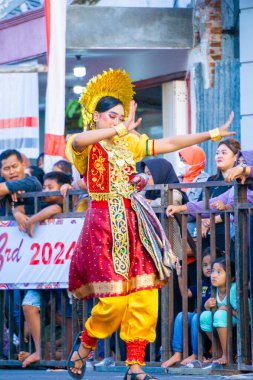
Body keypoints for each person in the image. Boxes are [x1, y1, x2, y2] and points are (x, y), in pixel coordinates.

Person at [65, 68, 235, 379]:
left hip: (134, 224)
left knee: (144, 295)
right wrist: (117, 131)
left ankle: (135, 364)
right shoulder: (85, 144)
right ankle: (85, 344)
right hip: (103, 226)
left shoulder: (126, 142)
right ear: (96, 117)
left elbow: (168, 142)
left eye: (120, 117)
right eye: (111, 116)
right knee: (114, 303)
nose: (117, 122)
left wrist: (210, 135)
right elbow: (78, 140)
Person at [17, 171, 72, 367]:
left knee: (67, 312)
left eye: (50, 187)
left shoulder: (68, 202)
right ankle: (41, 351)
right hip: (41, 271)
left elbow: (55, 209)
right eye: (44, 187)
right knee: (28, 304)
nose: (45, 191)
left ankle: (66, 356)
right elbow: (19, 207)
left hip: (66, 271)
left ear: (65, 186)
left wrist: (31, 220)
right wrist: (19, 213)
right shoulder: (38, 204)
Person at [161, 247, 211, 368]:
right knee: (180, 316)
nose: (208, 268)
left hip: (209, 318)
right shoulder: (203, 283)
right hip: (201, 317)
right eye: (205, 265)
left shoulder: (220, 280)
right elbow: (185, 293)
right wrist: (180, 275)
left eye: (211, 264)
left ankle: (196, 354)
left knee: (195, 318)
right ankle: (178, 353)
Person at [200, 257, 237, 365]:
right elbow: (213, 312)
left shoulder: (233, 289)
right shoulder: (214, 289)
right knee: (205, 316)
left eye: (219, 272)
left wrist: (227, 309)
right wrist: (207, 307)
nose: (213, 275)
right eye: (213, 271)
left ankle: (227, 355)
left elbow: (246, 317)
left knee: (220, 314)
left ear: (232, 277)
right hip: (225, 319)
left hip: (240, 320)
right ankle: (219, 352)